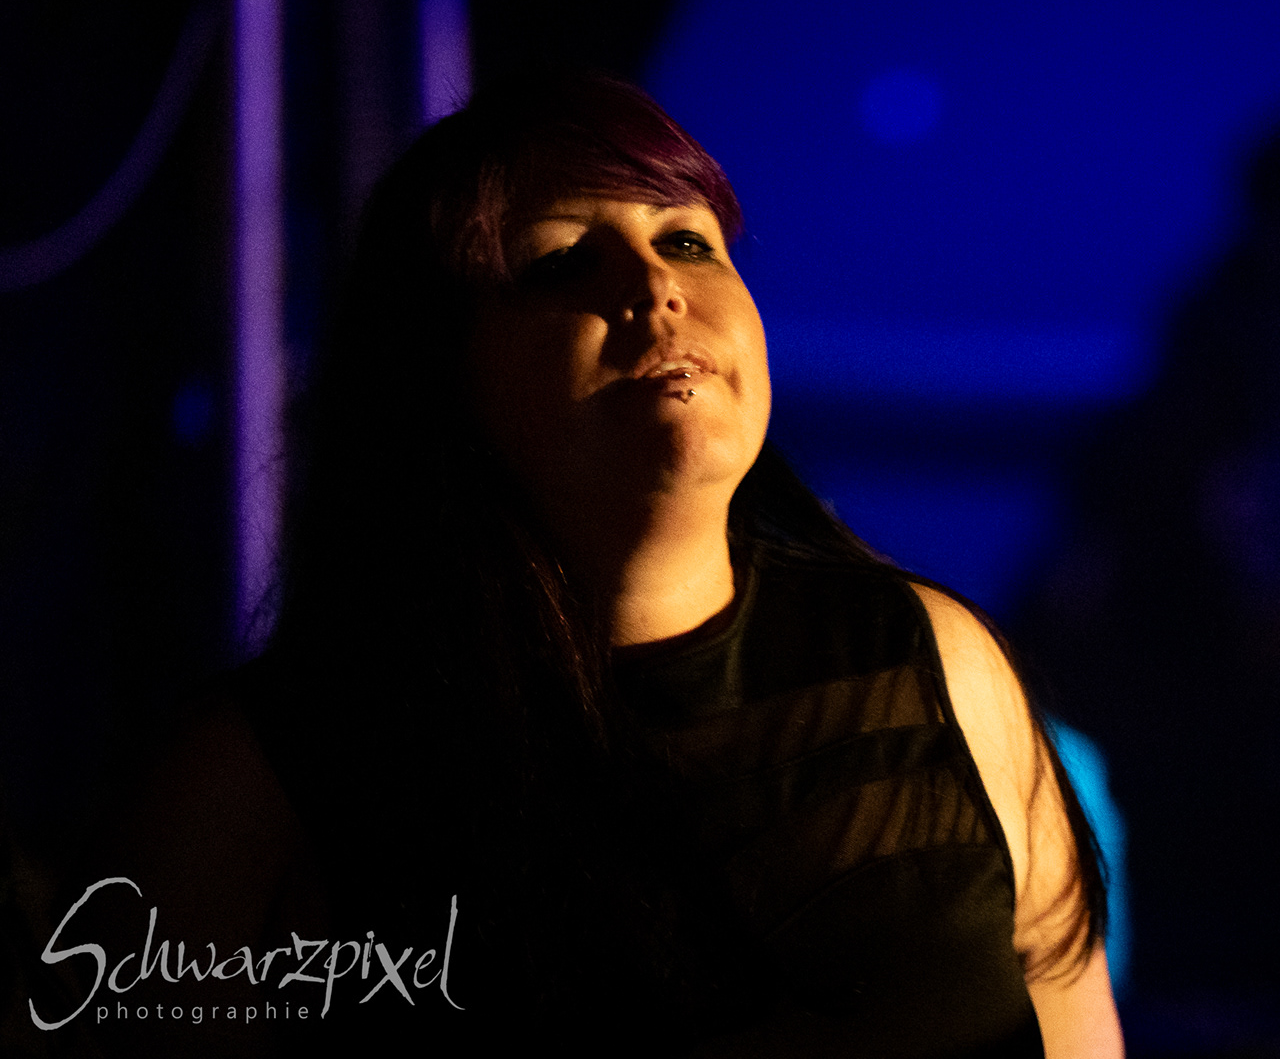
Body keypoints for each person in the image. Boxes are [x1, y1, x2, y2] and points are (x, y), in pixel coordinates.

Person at [95, 72, 1120, 1057]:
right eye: (559, 261)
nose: (655, 287)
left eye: (686, 240)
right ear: (433, 376)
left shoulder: (939, 665)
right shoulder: (257, 784)